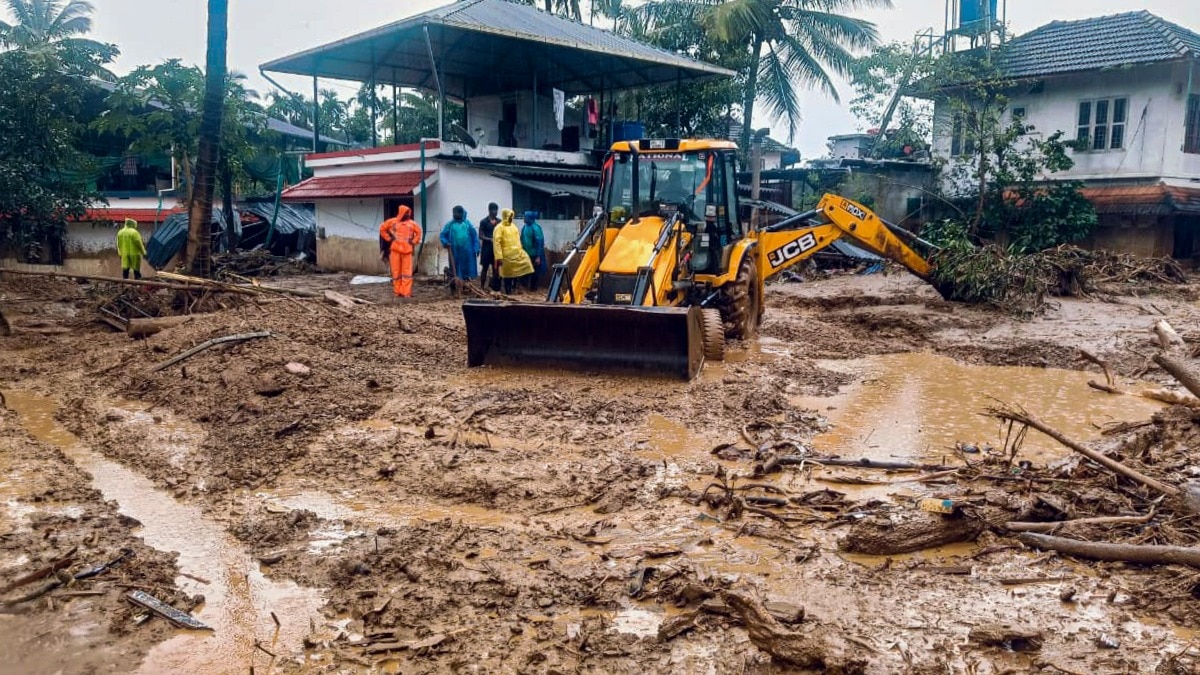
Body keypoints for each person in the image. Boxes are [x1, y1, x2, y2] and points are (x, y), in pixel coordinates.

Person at [378, 204, 422, 298]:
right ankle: (397, 292)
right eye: (406, 213)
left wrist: (413, 241)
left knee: (407, 273)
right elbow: (382, 228)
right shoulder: (392, 222)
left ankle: (406, 293)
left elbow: (419, 233)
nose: (407, 215)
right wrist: (389, 238)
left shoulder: (412, 224)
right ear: (401, 213)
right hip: (395, 251)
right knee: (396, 272)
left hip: (407, 251)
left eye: (408, 213)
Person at [493, 208, 533, 295]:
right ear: (505, 216)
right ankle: (508, 292)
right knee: (508, 275)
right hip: (506, 256)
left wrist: (520, 250)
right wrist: (499, 257)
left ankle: (517, 287)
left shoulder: (513, 226)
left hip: (517, 254)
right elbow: (497, 243)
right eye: (509, 216)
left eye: (512, 216)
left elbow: (518, 239)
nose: (511, 218)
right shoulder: (499, 228)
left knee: (527, 266)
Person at [439, 205, 479, 282]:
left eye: (455, 213)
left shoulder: (467, 224)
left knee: (468, 268)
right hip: (455, 251)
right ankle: (455, 284)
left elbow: (474, 236)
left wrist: (476, 248)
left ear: (461, 213)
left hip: (467, 251)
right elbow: (442, 235)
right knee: (455, 268)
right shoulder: (450, 224)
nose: (454, 215)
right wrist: (446, 242)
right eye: (453, 213)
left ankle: (467, 284)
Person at [520, 210, 546, 290]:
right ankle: (524, 287)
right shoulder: (524, 227)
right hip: (526, 253)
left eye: (525, 217)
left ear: (529, 218)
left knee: (535, 272)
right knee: (525, 271)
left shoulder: (536, 228)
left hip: (534, 254)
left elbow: (539, 242)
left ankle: (533, 289)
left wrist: (538, 256)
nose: (523, 218)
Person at [477, 202, 500, 291]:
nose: (495, 212)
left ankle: (495, 287)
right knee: (485, 268)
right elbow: (480, 235)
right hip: (487, 249)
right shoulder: (483, 221)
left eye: (496, 210)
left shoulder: (499, 222)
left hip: (496, 250)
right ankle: (482, 286)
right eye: (493, 210)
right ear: (489, 210)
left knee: (496, 269)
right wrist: (489, 239)